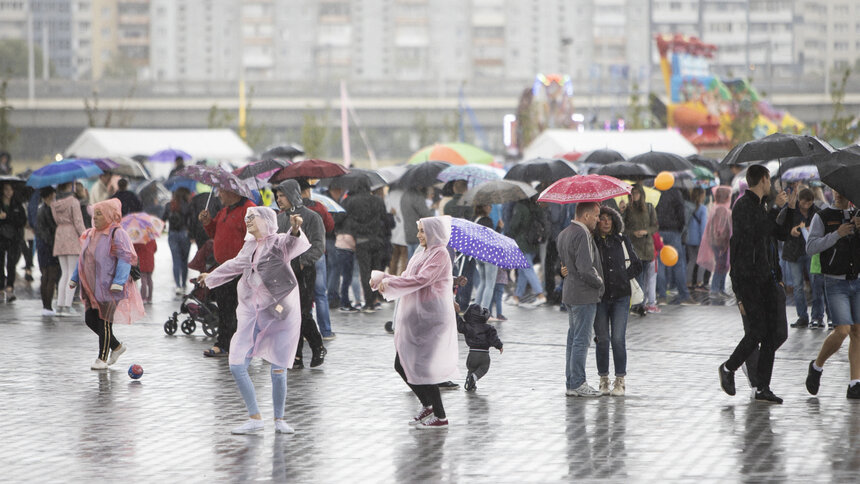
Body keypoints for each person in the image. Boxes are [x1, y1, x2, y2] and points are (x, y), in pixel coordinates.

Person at [198, 207, 309, 434]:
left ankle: (279, 419)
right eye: (246, 217)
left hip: (280, 312)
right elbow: (234, 265)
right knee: (237, 364)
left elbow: (291, 243)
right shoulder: (249, 246)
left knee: (278, 368)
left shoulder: (278, 242)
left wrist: (296, 229)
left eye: (252, 217)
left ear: (266, 220)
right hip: (253, 313)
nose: (247, 220)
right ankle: (255, 417)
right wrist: (211, 277)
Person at [371, 216, 459, 429]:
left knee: (422, 367)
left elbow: (422, 280)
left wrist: (390, 281)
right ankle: (428, 405)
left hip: (431, 318)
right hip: (417, 317)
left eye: (422, 231)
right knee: (403, 363)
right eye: (418, 230)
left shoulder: (440, 253)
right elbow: (408, 276)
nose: (419, 235)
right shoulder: (423, 252)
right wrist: (385, 278)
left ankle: (440, 416)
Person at [718, 164, 790, 404]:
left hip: (767, 278)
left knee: (775, 334)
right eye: (769, 181)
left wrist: (787, 208)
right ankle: (729, 368)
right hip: (748, 279)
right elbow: (757, 231)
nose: (771, 185)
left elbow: (777, 233)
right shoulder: (743, 206)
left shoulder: (762, 206)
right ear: (763, 179)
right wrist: (775, 208)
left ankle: (762, 387)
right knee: (757, 331)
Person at [69, 199, 145, 370]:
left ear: (110, 215)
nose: (95, 218)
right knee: (90, 319)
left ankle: (102, 358)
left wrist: (118, 282)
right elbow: (83, 258)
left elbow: (125, 258)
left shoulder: (117, 234)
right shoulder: (91, 234)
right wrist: (75, 277)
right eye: (94, 214)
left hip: (111, 286)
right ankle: (117, 347)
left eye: (99, 214)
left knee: (105, 320)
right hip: (92, 287)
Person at [804, 190, 860, 399]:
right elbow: (811, 247)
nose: (838, 194)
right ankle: (817, 366)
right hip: (834, 281)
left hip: (857, 279)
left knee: (857, 331)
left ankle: (855, 382)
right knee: (843, 330)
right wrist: (837, 234)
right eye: (835, 190)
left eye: (843, 191)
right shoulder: (823, 216)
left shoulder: (858, 214)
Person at [273, 180, 326, 368]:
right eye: (277, 196)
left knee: (302, 312)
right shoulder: (279, 219)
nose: (279, 199)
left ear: (292, 194)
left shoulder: (312, 217)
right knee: (286, 313)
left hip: (304, 272)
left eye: (282, 195)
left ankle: (316, 344)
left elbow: (319, 245)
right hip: (283, 272)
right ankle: (295, 355)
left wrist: (303, 263)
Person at [198, 188, 256, 357]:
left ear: (233, 192)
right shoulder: (224, 211)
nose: (219, 195)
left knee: (238, 309)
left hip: (240, 269)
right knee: (224, 308)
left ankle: (240, 344)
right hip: (223, 268)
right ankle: (224, 343)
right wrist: (208, 222)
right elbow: (215, 233)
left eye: (222, 192)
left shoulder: (248, 210)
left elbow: (254, 238)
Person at [593, 206, 641, 396]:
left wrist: (622, 276)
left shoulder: (622, 240)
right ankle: (603, 379)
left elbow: (637, 265)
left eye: (609, 219)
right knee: (602, 339)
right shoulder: (593, 241)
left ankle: (620, 380)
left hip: (621, 296)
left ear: (614, 221)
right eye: (602, 219)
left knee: (618, 339)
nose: (605, 222)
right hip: (601, 297)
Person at [557, 202, 604, 397]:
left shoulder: (564, 233)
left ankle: (571, 382)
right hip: (583, 294)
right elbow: (585, 268)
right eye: (596, 215)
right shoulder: (581, 234)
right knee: (581, 340)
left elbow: (566, 265)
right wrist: (599, 281)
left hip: (570, 292)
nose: (598, 219)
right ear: (585, 216)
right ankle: (577, 382)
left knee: (573, 338)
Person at [340, 177, 388, 312]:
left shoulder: (351, 201)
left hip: (361, 240)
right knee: (376, 271)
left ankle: (368, 303)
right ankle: (374, 299)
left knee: (365, 272)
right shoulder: (378, 200)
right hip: (377, 239)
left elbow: (345, 218)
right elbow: (384, 218)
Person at [779, 188, 825, 328]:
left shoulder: (817, 212)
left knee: (815, 284)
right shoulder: (790, 210)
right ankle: (802, 317)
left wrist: (812, 229)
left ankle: (817, 316)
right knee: (798, 286)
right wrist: (790, 231)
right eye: (804, 203)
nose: (806, 206)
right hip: (794, 252)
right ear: (799, 201)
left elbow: (823, 229)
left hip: (811, 252)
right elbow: (779, 227)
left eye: (809, 203)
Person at [297, 179, 336, 340]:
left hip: (298, 255)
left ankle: (306, 330)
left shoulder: (293, 210)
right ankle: (326, 331)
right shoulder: (318, 207)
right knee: (320, 294)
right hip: (317, 253)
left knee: (304, 294)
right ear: (306, 191)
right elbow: (330, 226)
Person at [623, 183, 659, 313]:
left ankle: (642, 303)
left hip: (647, 247)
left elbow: (655, 226)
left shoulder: (649, 207)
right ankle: (638, 303)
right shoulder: (627, 209)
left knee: (645, 277)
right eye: (632, 193)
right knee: (637, 276)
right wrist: (633, 232)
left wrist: (646, 231)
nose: (635, 196)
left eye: (637, 193)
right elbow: (622, 228)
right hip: (634, 248)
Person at [656, 186, 694, 305]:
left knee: (660, 263)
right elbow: (681, 213)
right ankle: (684, 295)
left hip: (659, 231)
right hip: (673, 231)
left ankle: (662, 296)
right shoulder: (676, 193)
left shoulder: (655, 192)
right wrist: (679, 227)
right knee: (678, 263)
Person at [52, 182, 86, 316]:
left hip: (60, 234)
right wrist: (85, 236)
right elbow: (78, 221)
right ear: (69, 186)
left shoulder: (55, 202)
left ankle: (60, 305)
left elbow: (55, 220)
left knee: (64, 273)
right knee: (72, 274)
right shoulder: (73, 201)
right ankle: (67, 305)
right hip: (71, 235)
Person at [509, 195, 548, 306]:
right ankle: (516, 296)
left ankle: (540, 294)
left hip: (522, 242)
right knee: (523, 271)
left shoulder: (520, 207)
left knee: (527, 269)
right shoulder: (535, 206)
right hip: (533, 242)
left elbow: (514, 226)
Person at [457, 303, 503, 392]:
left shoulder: (467, 326)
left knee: (471, 369)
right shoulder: (489, 328)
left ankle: (470, 384)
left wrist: (455, 313)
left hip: (471, 354)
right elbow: (494, 339)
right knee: (484, 368)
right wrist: (499, 346)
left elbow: (459, 323)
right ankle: (473, 378)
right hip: (484, 354)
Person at [697, 186, 733, 300]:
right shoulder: (722, 210)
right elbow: (721, 229)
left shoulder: (716, 208)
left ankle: (720, 289)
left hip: (718, 242)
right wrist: (723, 244)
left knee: (723, 265)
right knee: (721, 265)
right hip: (721, 243)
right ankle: (716, 289)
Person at [163, 187, 193, 295]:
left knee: (176, 260)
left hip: (172, 234)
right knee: (184, 261)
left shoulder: (169, 205)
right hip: (184, 234)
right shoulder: (187, 205)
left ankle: (178, 286)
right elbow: (191, 221)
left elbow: (163, 220)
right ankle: (184, 284)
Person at [35, 187, 60, 315]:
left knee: (45, 276)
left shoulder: (40, 209)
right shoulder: (48, 209)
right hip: (49, 246)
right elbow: (51, 229)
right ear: (50, 195)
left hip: (41, 246)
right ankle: (48, 307)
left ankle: (46, 306)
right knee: (51, 276)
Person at [0, 181, 25, 301]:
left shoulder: (17, 204)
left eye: (10, 190)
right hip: (1, 237)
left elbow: (22, 221)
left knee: (11, 263)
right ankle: (0, 288)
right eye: (6, 190)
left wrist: (7, 216)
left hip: (14, 237)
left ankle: (10, 287)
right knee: (0, 264)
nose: (8, 192)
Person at [473, 204, 501, 310]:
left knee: (483, 282)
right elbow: (492, 238)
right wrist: (499, 227)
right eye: (489, 205)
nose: (491, 208)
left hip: (478, 254)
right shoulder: (486, 220)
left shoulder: (476, 219)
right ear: (484, 207)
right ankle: (484, 310)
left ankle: (475, 308)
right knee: (490, 285)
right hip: (489, 254)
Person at [685, 187, 709, 291]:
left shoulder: (688, 207)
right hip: (700, 239)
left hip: (689, 238)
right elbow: (703, 226)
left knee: (691, 261)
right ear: (701, 196)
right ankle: (699, 283)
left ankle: (688, 282)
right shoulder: (703, 208)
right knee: (703, 261)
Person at [400, 186, 435, 258]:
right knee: (419, 261)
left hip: (408, 232)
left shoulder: (404, 196)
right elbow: (426, 215)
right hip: (419, 233)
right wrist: (433, 211)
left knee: (411, 261)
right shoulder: (416, 196)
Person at [134, 238, 157, 304]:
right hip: (150, 262)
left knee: (143, 279)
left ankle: (143, 297)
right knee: (149, 279)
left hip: (142, 262)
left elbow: (135, 249)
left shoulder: (139, 240)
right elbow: (155, 249)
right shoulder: (152, 239)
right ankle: (150, 298)